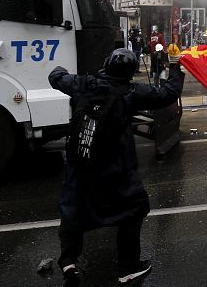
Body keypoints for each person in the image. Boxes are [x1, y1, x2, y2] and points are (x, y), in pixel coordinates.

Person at [49, 48, 184, 286]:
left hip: (81, 164)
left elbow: (55, 77)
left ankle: (69, 262)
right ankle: (128, 268)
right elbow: (168, 94)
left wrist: (63, 69)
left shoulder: (82, 84)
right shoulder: (131, 93)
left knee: (72, 209)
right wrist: (176, 67)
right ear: (131, 72)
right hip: (115, 170)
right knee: (134, 209)